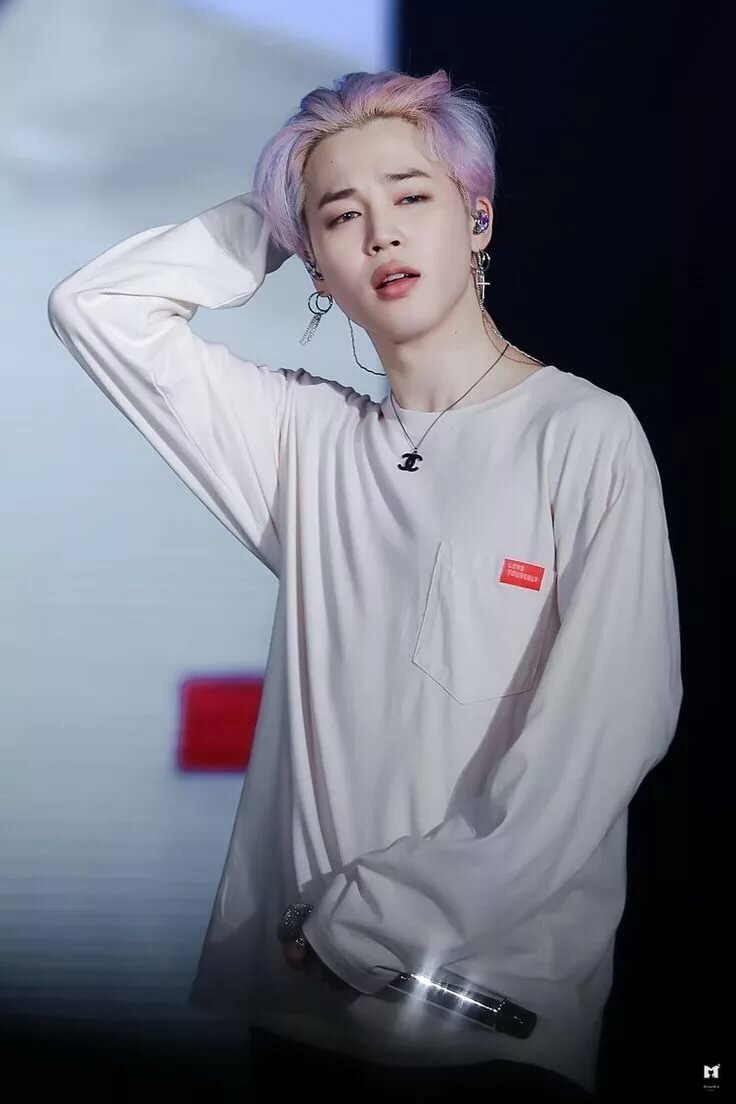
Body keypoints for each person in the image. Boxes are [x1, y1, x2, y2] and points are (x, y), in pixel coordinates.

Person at [47, 69, 682, 1102]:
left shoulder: (582, 435)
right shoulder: (306, 443)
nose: (381, 234)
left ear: (478, 220)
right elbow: (97, 308)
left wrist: (373, 918)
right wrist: (278, 208)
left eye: (412, 196)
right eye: (342, 217)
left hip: (487, 1025)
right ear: (313, 264)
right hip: (301, 1013)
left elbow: (605, 732)